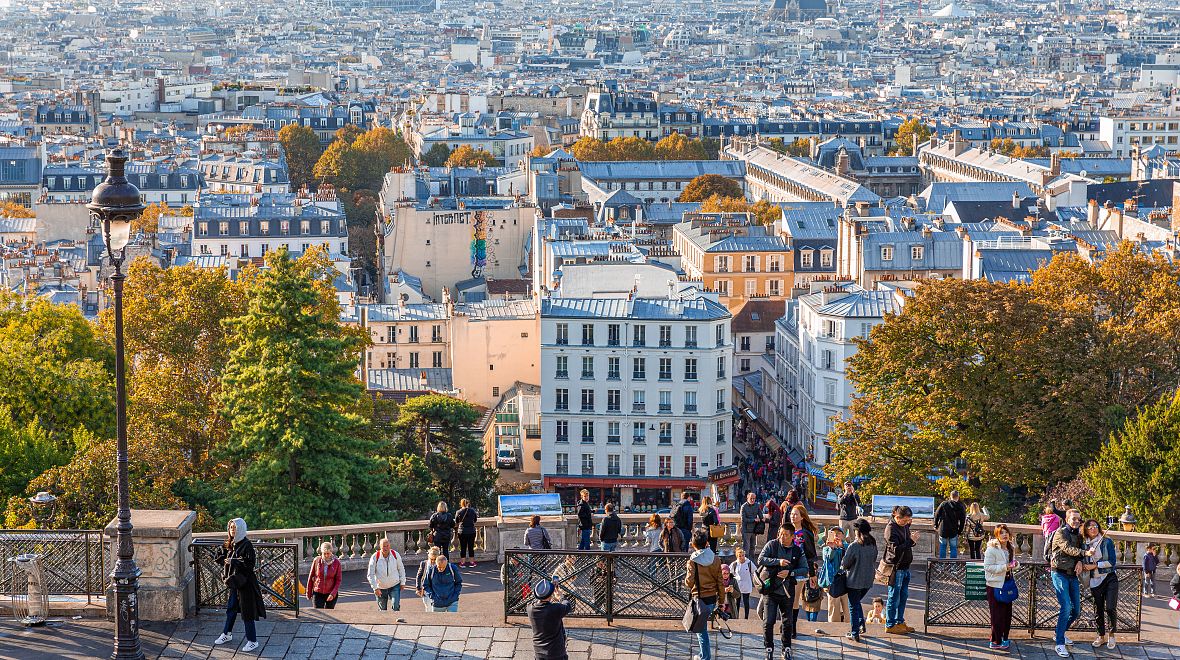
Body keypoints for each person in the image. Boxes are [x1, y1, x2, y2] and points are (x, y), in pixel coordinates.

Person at [213, 518, 266, 653]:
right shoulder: (231, 543)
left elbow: (250, 565)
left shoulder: (246, 545)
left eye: (235, 528)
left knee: (247, 612)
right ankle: (227, 634)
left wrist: (234, 561)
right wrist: (222, 558)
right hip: (234, 582)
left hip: (245, 583)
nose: (232, 530)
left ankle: (253, 641)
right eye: (231, 528)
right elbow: (221, 557)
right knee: (231, 609)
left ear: (241, 529)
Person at [1049, 509, 1093, 658]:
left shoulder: (1080, 536)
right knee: (1066, 606)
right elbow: (1068, 549)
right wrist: (1084, 554)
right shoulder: (1060, 533)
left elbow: (1079, 550)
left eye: (1078, 519)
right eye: (1073, 519)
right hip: (1059, 573)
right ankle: (1059, 643)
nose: (1076, 521)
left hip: (1072, 575)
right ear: (1067, 519)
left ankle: (1058, 633)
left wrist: (1081, 561)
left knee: (1076, 611)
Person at [758, 523, 803, 660]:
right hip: (770, 590)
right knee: (768, 621)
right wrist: (778, 562)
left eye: (785, 535)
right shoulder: (772, 544)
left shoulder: (796, 550)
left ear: (792, 536)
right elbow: (761, 559)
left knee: (787, 622)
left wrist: (790, 573)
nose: (782, 537)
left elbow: (805, 568)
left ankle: (786, 648)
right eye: (780, 533)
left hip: (787, 591)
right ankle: (769, 648)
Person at [1080, 518, 1118, 650]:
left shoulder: (1107, 541)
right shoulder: (1084, 545)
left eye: (1095, 526)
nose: (1093, 529)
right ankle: (1101, 636)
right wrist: (1085, 561)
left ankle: (1112, 635)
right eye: (1089, 527)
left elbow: (1112, 561)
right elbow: (1081, 560)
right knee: (1098, 609)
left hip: (1109, 577)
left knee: (1110, 607)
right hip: (1094, 581)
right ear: (1085, 530)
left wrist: (1095, 566)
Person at [685, 529, 723, 660]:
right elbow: (720, 583)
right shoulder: (716, 559)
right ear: (707, 543)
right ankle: (703, 654)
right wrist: (722, 601)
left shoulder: (692, 561)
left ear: (693, 545)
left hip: (699, 599)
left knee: (701, 631)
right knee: (701, 628)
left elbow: (689, 583)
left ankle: (705, 657)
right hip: (712, 598)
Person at [840, 518, 878, 643]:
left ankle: (854, 632)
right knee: (856, 603)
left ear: (857, 531)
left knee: (853, 606)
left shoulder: (855, 545)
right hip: (868, 581)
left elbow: (845, 564)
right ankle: (861, 625)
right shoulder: (873, 544)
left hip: (854, 581)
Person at [883, 506, 919, 635]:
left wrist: (911, 540)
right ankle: (890, 624)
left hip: (905, 567)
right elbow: (896, 549)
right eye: (904, 520)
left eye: (908, 520)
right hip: (896, 568)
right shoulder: (890, 529)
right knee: (894, 597)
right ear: (896, 517)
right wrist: (910, 541)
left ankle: (899, 621)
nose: (906, 523)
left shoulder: (904, 526)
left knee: (903, 596)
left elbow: (907, 543)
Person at [983, 524, 1017, 651]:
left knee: (1007, 614)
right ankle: (995, 640)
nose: (1004, 534)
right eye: (1001, 532)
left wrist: (1015, 565)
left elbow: (1011, 564)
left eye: (1006, 532)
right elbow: (988, 567)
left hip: (1007, 583)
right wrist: (1005, 567)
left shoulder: (1010, 547)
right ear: (997, 535)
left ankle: (1004, 638)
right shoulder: (992, 549)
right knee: (997, 615)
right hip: (995, 585)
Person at [788, 504, 819, 637]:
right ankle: (786, 625)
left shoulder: (806, 533)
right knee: (785, 598)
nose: (792, 516)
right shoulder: (786, 530)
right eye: (791, 514)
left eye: (795, 514)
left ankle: (792, 627)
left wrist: (812, 574)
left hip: (800, 570)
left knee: (794, 599)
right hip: (786, 568)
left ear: (802, 517)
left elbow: (811, 555)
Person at [527, 578, 573, 660]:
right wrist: (560, 597)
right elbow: (567, 606)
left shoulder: (530, 608)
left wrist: (549, 588)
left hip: (539, 651)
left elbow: (536, 599)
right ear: (550, 595)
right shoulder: (555, 609)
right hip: (555, 651)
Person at [367, 537, 407, 613]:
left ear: (390, 546)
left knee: (396, 606)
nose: (385, 548)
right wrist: (375, 588)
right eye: (383, 546)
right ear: (380, 547)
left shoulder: (395, 555)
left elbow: (401, 569)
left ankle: (396, 622)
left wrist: (402, 582)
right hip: (380, 587)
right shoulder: (375, 557)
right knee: (382, 610)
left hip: (394, 585)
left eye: (387, 546)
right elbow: (370, 574)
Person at [820, 527, 848, 627]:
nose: (836, 535)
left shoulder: (847, 546)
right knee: (833, 607)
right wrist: (833, 548)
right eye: (834, 533)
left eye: (839, 533)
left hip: (845, 580)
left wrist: (842, 548)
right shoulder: (826, 548)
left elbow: (848, 560)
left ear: (843, 536)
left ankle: (849, 626)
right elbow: (827, 559)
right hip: (833, 581)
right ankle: (834, 627)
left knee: (847, 607)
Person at [306, 541, 342, 609]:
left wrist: (333, 593)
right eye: (324, 553)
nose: (326, 555)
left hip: (330, 592)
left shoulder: (337, 563)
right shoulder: (317, 560)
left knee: (330, 613)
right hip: (318, 592)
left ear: (331, 552)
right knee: (319, 612)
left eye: (328, 553)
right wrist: (309, 592)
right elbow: (311, 576)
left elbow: (338, 580)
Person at [933, 491, 967, 559]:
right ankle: (953, 564)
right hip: (954, 530)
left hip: (943, 529)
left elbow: (936, 515)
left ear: (950, 496)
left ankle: (942, 564)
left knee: (943, 546)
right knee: (953, 548)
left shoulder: (944, 504)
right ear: (958, 496)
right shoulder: (960, 506)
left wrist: (936, 525)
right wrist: (960, 531)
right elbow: (963, 520)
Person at [729, 547, 756, 619]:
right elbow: (729, 573)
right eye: (739, 556)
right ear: (737, 556)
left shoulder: (749, 563)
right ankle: (736, 616)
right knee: (737, 602)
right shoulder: (734, 564)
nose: (741, 557)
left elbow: (755, 572)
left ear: (745, 555)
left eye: (743, 555)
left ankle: (746, 617)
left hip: (747, 585)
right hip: (737, 586)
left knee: (746, 602)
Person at [415, 547, 442, 611]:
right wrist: (418, 588)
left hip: (437, 591)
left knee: (436, 609)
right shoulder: (424, 563)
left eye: (434, 559)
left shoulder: (442, 564)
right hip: (426, 591)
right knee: (428, 608)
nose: (432, 561)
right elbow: (419, 576)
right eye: (431, 559)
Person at [455, 498, 479, 568]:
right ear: (468, 503)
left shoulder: (458, 512)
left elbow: (456, 521)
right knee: (471, 547)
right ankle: (472, 562)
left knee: (463, 547)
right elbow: (475, 520)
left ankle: (463, 562)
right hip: (471, 531)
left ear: (461, 504)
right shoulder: (472, 511)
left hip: (462, 531)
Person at [740, 492, 763, 557]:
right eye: (751, 498)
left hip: (754, 529)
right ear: (747, 498)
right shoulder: (743, 507)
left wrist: (763, 518)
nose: (752, 500)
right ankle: (746, 562)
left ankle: (752, 562)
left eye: (754, 498)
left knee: (753, 546)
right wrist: (754, 520)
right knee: (746, 547)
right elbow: (743, 519)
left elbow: (760, 515)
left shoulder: (757, 505)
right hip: (746, 530)